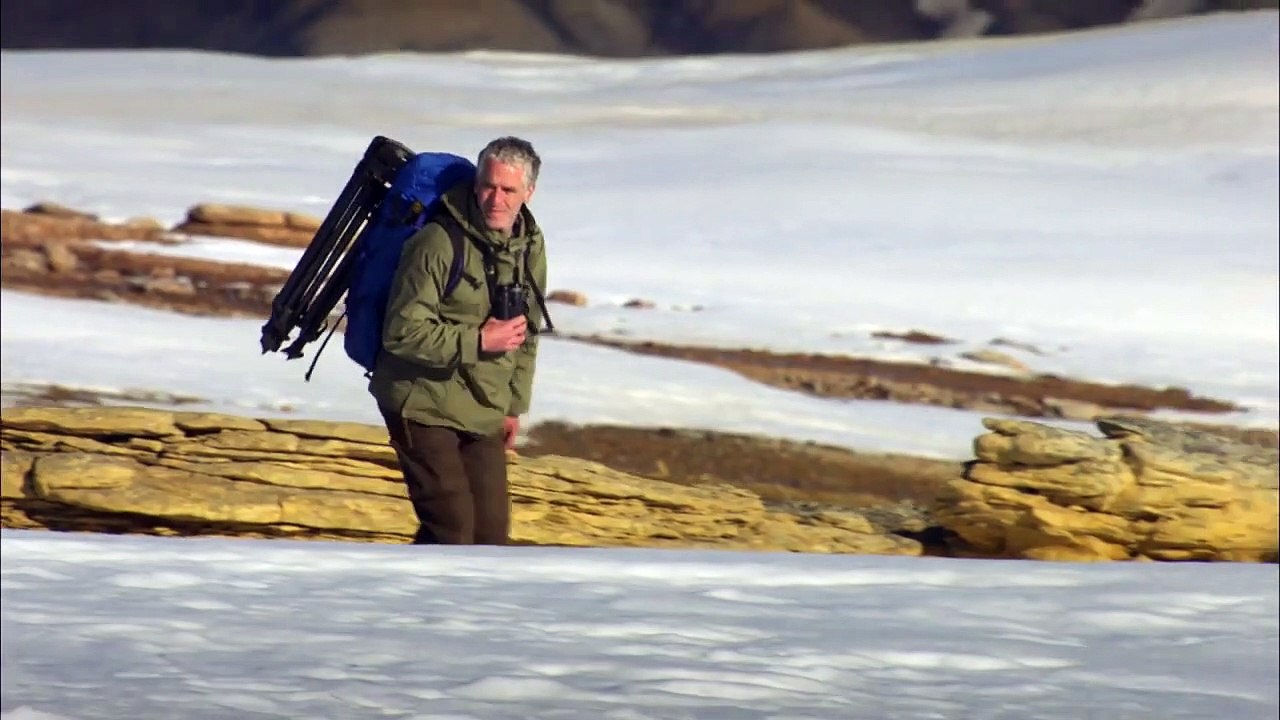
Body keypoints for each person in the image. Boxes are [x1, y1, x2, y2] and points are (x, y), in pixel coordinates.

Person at [370, 136, 547, 545]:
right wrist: (478, 341)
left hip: (481, 401)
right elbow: (401, 332)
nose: (495, 199)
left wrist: (512, 405)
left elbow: (527, 331)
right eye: (488, 185)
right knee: (451, 531)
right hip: (419, 398)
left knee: (490, 538)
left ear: (529, 193)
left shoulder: (529, 246)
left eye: (508, 190)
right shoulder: (438, 242)